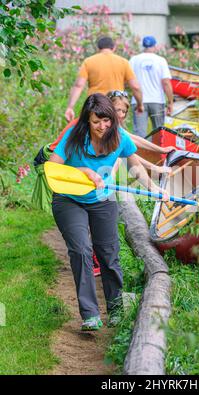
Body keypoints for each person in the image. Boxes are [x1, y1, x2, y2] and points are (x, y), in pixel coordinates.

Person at [49, 93, 168, 331]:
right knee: (81, 250)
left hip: (102, 199)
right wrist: (84, 171)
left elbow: (134, 164)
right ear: (87, 120)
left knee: (108, 253)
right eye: (96, 122)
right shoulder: (75, 136)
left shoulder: (119, 137)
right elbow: (52, 166)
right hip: (69, 199)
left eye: (107, 121)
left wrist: (154, 187)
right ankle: (90, 314)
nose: (102, 127)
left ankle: (115, 310)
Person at [65, 36, 143, 122]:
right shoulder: (123, 62)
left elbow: (79, 85)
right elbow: (135, 86)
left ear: (98, 48)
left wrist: (70, 107)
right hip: (115, 105)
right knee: (114, 133)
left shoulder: (89, 61)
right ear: (114, 48)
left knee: (94, 131)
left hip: (95, 104)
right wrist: (140, 104)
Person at [107, 90, 175, 175]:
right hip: (94, 166)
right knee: (119, 157)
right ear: (109, 108)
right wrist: (155, 168)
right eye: (118, 110)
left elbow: (134, 139)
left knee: (120, 156)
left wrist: (161, 150)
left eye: (124, 111)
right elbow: (129, 155)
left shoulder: (114, 126)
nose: (121, 115)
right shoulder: (105, 126)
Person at [129, 35, 174, 138]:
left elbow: (128, 80)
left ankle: (139, 154)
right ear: (155, 46)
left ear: (143, 46)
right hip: (157, 101)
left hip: (138, 100)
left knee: (139, 134)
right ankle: (158, 153)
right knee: (159, 133)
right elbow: (166, 82)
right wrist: (170, 102)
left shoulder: (134, 60)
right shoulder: (161, 60)